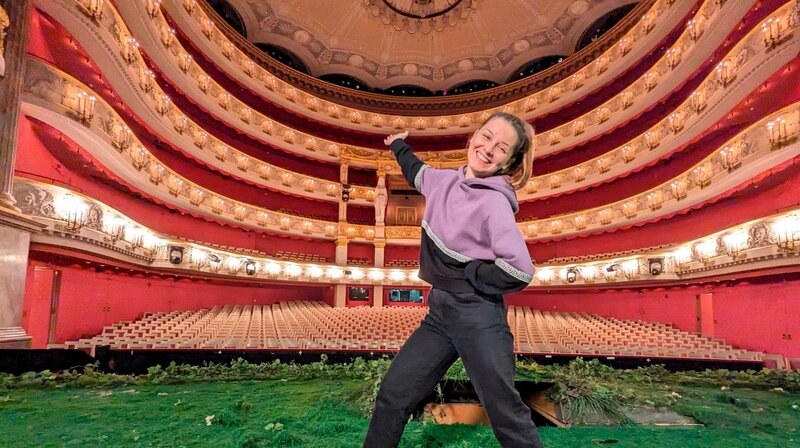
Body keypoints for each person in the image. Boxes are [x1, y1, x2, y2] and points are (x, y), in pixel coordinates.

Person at [364, 112, 542, 448]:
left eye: (502, 148)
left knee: (506, 415)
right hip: (440, 315)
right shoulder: (443, 181)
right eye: (486, 136)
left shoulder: (494, 202)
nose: (488, 148)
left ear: (509, 162)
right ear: (473, 137)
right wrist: (398, 145)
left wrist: (472, 273)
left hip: (479, 318)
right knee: (393, 394)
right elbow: (416, 171)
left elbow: (520, 269)